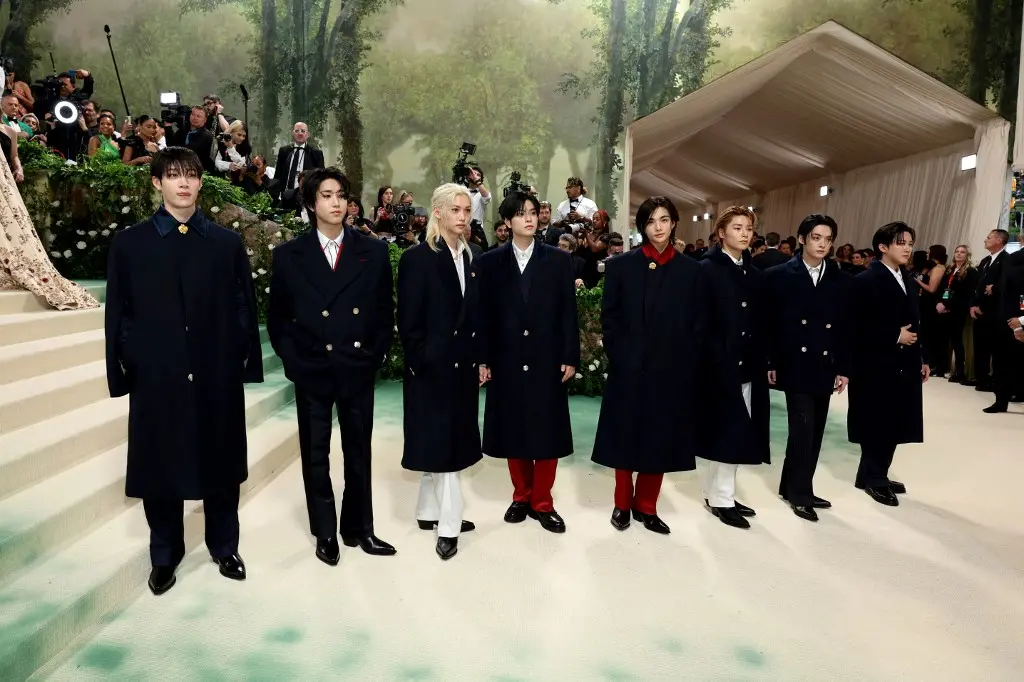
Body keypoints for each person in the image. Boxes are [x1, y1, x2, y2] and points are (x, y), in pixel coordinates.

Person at [104, 147, 264, 595]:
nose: (184, 183)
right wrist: (130, 362)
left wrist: (239, 359)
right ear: (157, 182)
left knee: (221, 460)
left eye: (191, 175)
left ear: (200, 182)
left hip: (216, 371)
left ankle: (225, 546)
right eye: (173, 175)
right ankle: (164, 554)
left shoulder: (225, 243)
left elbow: (243, 306)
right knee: (161, 463)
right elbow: (118, 312)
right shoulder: (131, 244)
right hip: (157, 373)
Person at [267, 167, 397, 565]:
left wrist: (373, 355)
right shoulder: (289, 255)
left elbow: (383, 311)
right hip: (313, 367)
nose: (336, 202)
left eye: (341, 195)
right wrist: (295, 361)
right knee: (315, 453)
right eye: (326, 195)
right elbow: (278, 318)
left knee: (359, 451)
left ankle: (360, 528)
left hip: (356, 365)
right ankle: (325, 531)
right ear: (311, 203)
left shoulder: (372, 251)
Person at [591, 197, 706, 534]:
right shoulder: (621, 266)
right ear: (642, 225)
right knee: (624, 435)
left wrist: (684, 362)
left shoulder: (691, 271)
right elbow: (609, 318)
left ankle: (647, 506)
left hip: (670, 370)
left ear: (674, 223)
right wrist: (621, 356)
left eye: (665, 219)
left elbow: (697, 324)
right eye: (652, 220)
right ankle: (622, 503)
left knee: (660, 437)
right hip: (628, 368)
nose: (659, 227)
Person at [477, 190, 580, 533]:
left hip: (547, 358)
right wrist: (483, 358)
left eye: (533, 212)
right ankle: (521, 495)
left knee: (547, 429)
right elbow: (483, 316)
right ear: (507, 222)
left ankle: (543, 501)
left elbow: (568, 313)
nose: (530, 218)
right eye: (521, 213)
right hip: (506, 358)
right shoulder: (489, 263)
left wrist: (569, 355)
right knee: (513, 427)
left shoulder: (559, 260)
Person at [397, 183, 485, 561]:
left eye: (467, 210)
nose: (463, 217)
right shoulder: (418, 258)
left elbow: (474, 316)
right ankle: (449, 525)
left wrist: (480, 359)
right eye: (456, 210)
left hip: (462, 366)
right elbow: (408, 321)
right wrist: (422, 362)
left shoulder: (470, 255)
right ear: (438, 212)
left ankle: (427, 510)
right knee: (445, 447)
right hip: (432, 368)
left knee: (443, 441)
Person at [763, 215, 851, 522]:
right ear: (801, 239)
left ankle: (794, 487)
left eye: (828, 239)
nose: (822, 244)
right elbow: (770, 324)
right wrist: (770, 361)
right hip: (794, 361)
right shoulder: (778, 275)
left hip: (825, 363)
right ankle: (800, 493)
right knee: (802, 427)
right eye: (816, 238)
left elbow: (844, 327)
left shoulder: (839, 277)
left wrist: (843, 368)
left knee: (815, 429)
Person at [697, 206, 769, 530]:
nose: (744, 233)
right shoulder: (706, 270)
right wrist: (712, 358)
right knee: (727, 430)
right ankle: (722, 498)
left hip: (746, 365)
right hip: (717, 365)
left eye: (748, 228)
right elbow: (699, 322)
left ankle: (717, 493)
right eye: (737, 227)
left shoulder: (754, 274)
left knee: (733, 430)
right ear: (721, 232)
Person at [847, 222, 928, 506]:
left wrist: (922, 357)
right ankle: (875, 478)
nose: (907, 248)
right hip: (875, 363)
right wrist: (894, 335)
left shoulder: (905, 277)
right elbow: (855, 326)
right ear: (883, 247)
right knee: (878, 421)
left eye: (910, 243)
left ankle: (870, 473)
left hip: (904, 361)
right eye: (901, 243)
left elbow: (916, 321)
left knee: (895, 420)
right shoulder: (864, 281)